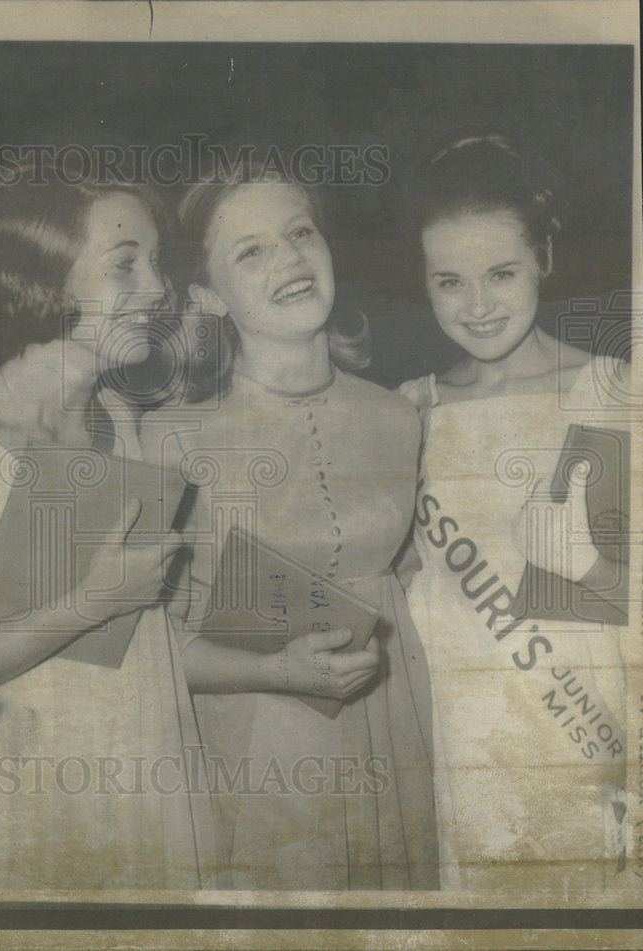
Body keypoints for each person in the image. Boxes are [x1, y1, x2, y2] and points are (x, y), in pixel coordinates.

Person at [0, 167, 219, 890]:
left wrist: (281, 667)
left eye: (156, 262)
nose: (158, 288)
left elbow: (152, 648)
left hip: (146, 784)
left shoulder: (125, 422)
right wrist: (88, 603)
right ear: (43, 277)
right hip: (8, 809)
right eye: (124, 265)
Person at [138, 170, 440, 890]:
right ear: (207, 295)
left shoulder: (403, 416)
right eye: (250, 251)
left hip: (400, 738)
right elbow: (137, 658)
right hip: (257, 759)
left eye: (300, 232)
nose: (291, 257)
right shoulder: (169, 438)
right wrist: (277, 669)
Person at [399, 133, 629, 890]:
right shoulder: (412, 414)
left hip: (602, 746)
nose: (478, 305)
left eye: (501, 272)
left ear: (545, 261)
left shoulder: (614, 391)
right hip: (471, 754)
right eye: (449, 281)